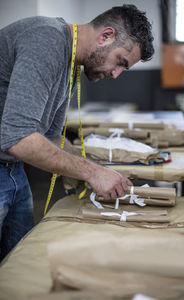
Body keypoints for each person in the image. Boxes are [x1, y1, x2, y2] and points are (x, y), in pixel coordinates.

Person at [0, 4, 154, 261]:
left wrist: (99, 169)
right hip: (9, 160)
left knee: (18, 263)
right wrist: (92, 172)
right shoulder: (46, 40)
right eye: (120, 62)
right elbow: (18, 138)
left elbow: (51, 136)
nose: (116, 75)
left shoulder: (72, 63)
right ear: (106, 36)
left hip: (13, 170)